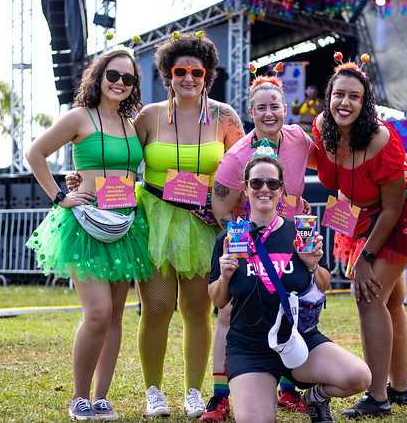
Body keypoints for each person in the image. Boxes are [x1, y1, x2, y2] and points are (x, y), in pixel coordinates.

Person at [25, 47, 154, 420]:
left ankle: (101, 398)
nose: (119, 83)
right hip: (86, 224)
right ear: (98, 77)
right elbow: (36, 153)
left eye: (128, 79)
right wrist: (61, 196)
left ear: (134, 85)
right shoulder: (79, 117)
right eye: (112, 75)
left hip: (126, 223)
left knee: (115, 316)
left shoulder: (132, 124)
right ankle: (79, 398)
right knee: (96, 313)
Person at [208, 155, 372, 423]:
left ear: (282, 189)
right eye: (257, 182)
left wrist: (311, 265)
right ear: (245, 188)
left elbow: (323, 285)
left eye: (272, 183)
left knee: (359, 377)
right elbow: (218, 298)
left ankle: (314, 399)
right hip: (250, 348)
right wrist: (225, 276)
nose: (265, 189)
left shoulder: (301, 232)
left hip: (298, 340)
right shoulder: (229, 238)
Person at [133, 31, 244, 418]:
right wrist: (85, 181)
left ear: (207, 74)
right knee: (159, 306)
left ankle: (194, 392)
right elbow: (122, 159)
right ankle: (153, 392)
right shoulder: (147, 116)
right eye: (180, 70)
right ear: (168, 73)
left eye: (197, 71)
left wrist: (226, 209)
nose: (188, 78)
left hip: (203, 222)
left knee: (197, 306)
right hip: (157, 217)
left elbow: (244, 167)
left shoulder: (224, 116)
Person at [202, 75, 316, 421]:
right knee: (228, 313)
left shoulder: (299, 139)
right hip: (247, 244)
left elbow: (319, 166)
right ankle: (220, 395)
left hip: (290, 240)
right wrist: (240, 245)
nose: (269, 113)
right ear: (251, 112)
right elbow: (220, 208)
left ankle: (285, 388)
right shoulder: (238, 157)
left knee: (286, 308)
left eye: (275, 106)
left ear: (285, 109)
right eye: (261, 107)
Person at [312, 59, 407, 418]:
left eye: (354, 97)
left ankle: (377, 397)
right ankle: (400, 387)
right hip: (359, 218)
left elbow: (391, 211)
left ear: (365, 102)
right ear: (329, 97)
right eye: (339, 94)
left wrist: (365, 259)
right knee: (390, 302)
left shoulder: (381, 137)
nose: (345, 102)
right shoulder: (322, 129)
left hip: (396, 218)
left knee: (369, 296)